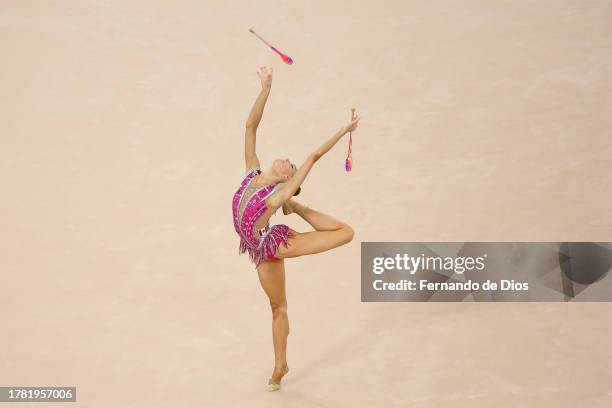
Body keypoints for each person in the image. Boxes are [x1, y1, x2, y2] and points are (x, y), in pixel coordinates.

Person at [231, 66, 360, 391]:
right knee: (278, 308)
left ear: (288, 179)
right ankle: (282, 364)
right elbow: (250, 127)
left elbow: (314, 156)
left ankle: (279, 368)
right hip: (259, 250)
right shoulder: (251, 172)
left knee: (345, 232)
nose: (286, 159)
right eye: (287, 160)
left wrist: (344, 130)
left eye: (289, 165)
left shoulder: (277, 196)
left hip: (271, 247)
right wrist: (265, 89)